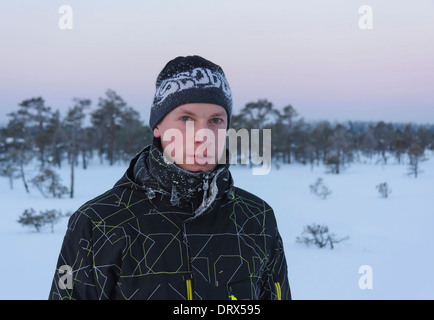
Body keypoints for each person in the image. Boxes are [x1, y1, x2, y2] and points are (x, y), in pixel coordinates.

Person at [49, 55, 291, 300]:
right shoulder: (98, 222)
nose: (203, 135)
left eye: (216, 120)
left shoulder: (257, 218)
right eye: (186, 119)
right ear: (157, 125)